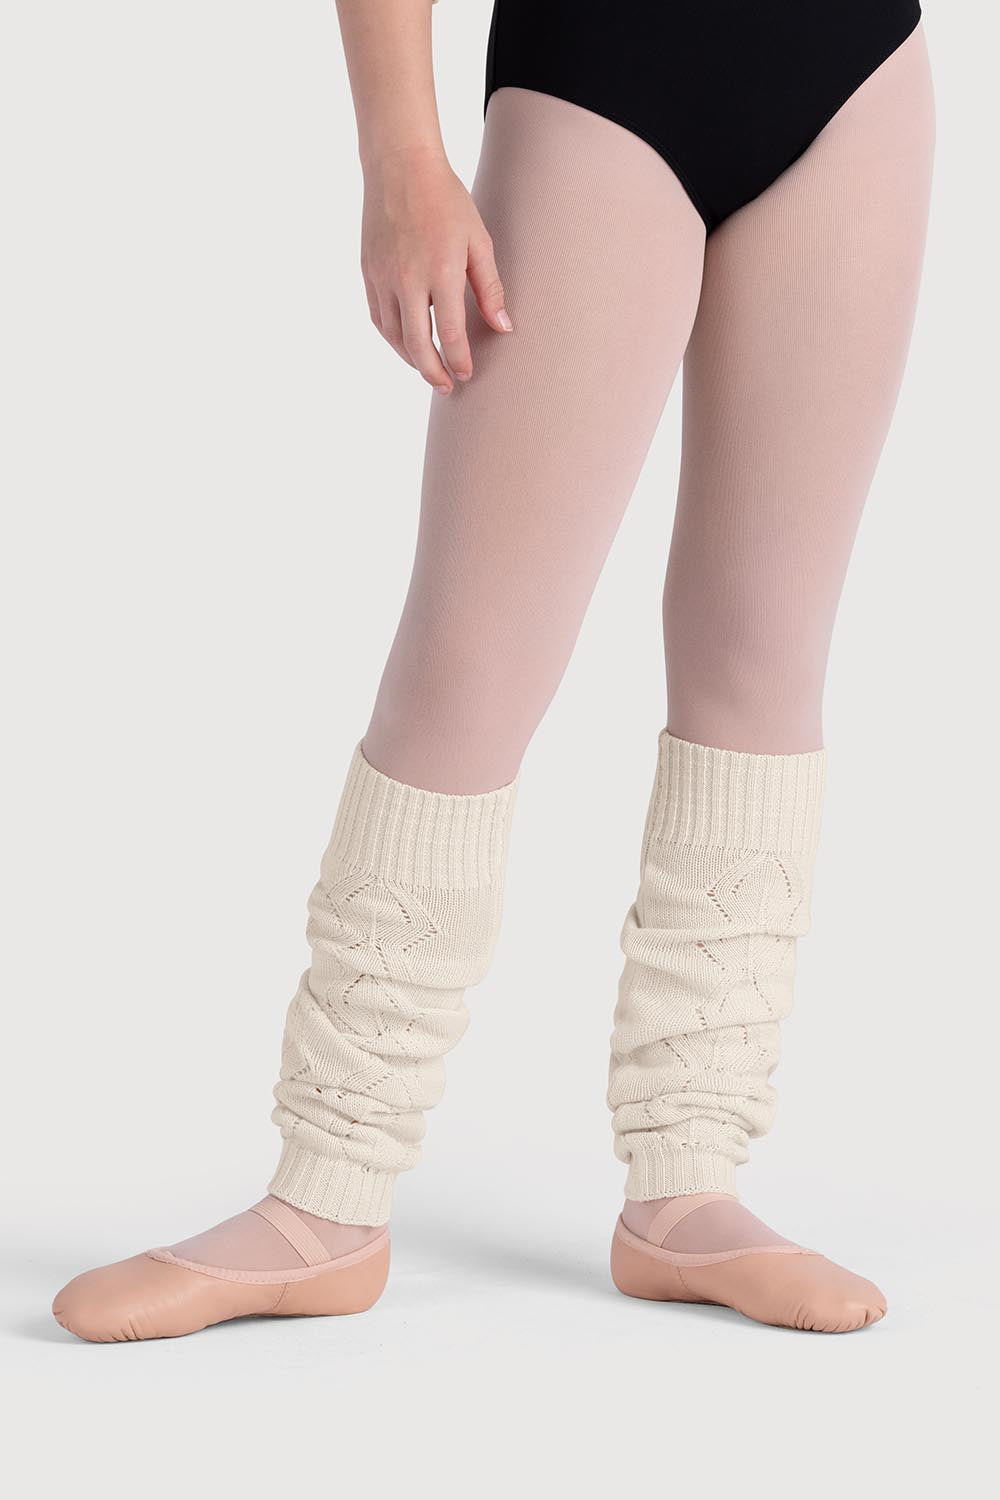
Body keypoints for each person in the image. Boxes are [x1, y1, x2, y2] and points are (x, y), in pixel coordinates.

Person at [53, 0, 934, 1340]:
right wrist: (401, 156)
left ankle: (688, 1182)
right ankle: (327, 1200)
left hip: (857, 71)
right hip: (608, 73)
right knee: (470, 666)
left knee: (762, 648)